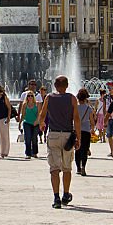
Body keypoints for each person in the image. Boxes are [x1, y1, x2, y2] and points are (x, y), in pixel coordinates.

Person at [37, 75, 81, 208]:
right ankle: (66, 194)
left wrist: (42, 125)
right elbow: (76, 119)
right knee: (67, 168)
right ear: (67, 86)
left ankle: (56, 198)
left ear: (54, 86)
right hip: (68, 135)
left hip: (54, 135)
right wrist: (78, 137)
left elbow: (42, 115)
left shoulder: (49, 98)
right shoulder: (72, 98)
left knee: (54, 169)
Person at [75, 88, 96, 176]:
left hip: (76, 131)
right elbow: (92, 122)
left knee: (77, 150)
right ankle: (83, 166)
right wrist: (92, 130)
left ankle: (78, 168)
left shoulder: (75, 108)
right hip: (86, 131)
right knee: (85, 149)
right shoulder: (89, 109)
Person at [19, 91, 40, 159]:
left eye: (31, 96)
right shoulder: (25, 104)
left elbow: (39, 114)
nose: (30, 97)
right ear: (26, 97)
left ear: (33, 97)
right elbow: (23, 114)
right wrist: (20, 123)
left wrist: (37, 121)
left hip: (35, 123)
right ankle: (28, 154)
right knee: (27, 138)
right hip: (27, 122)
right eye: (28, 96)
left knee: (34, 138)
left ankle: (34, 152)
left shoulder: (37, 104)